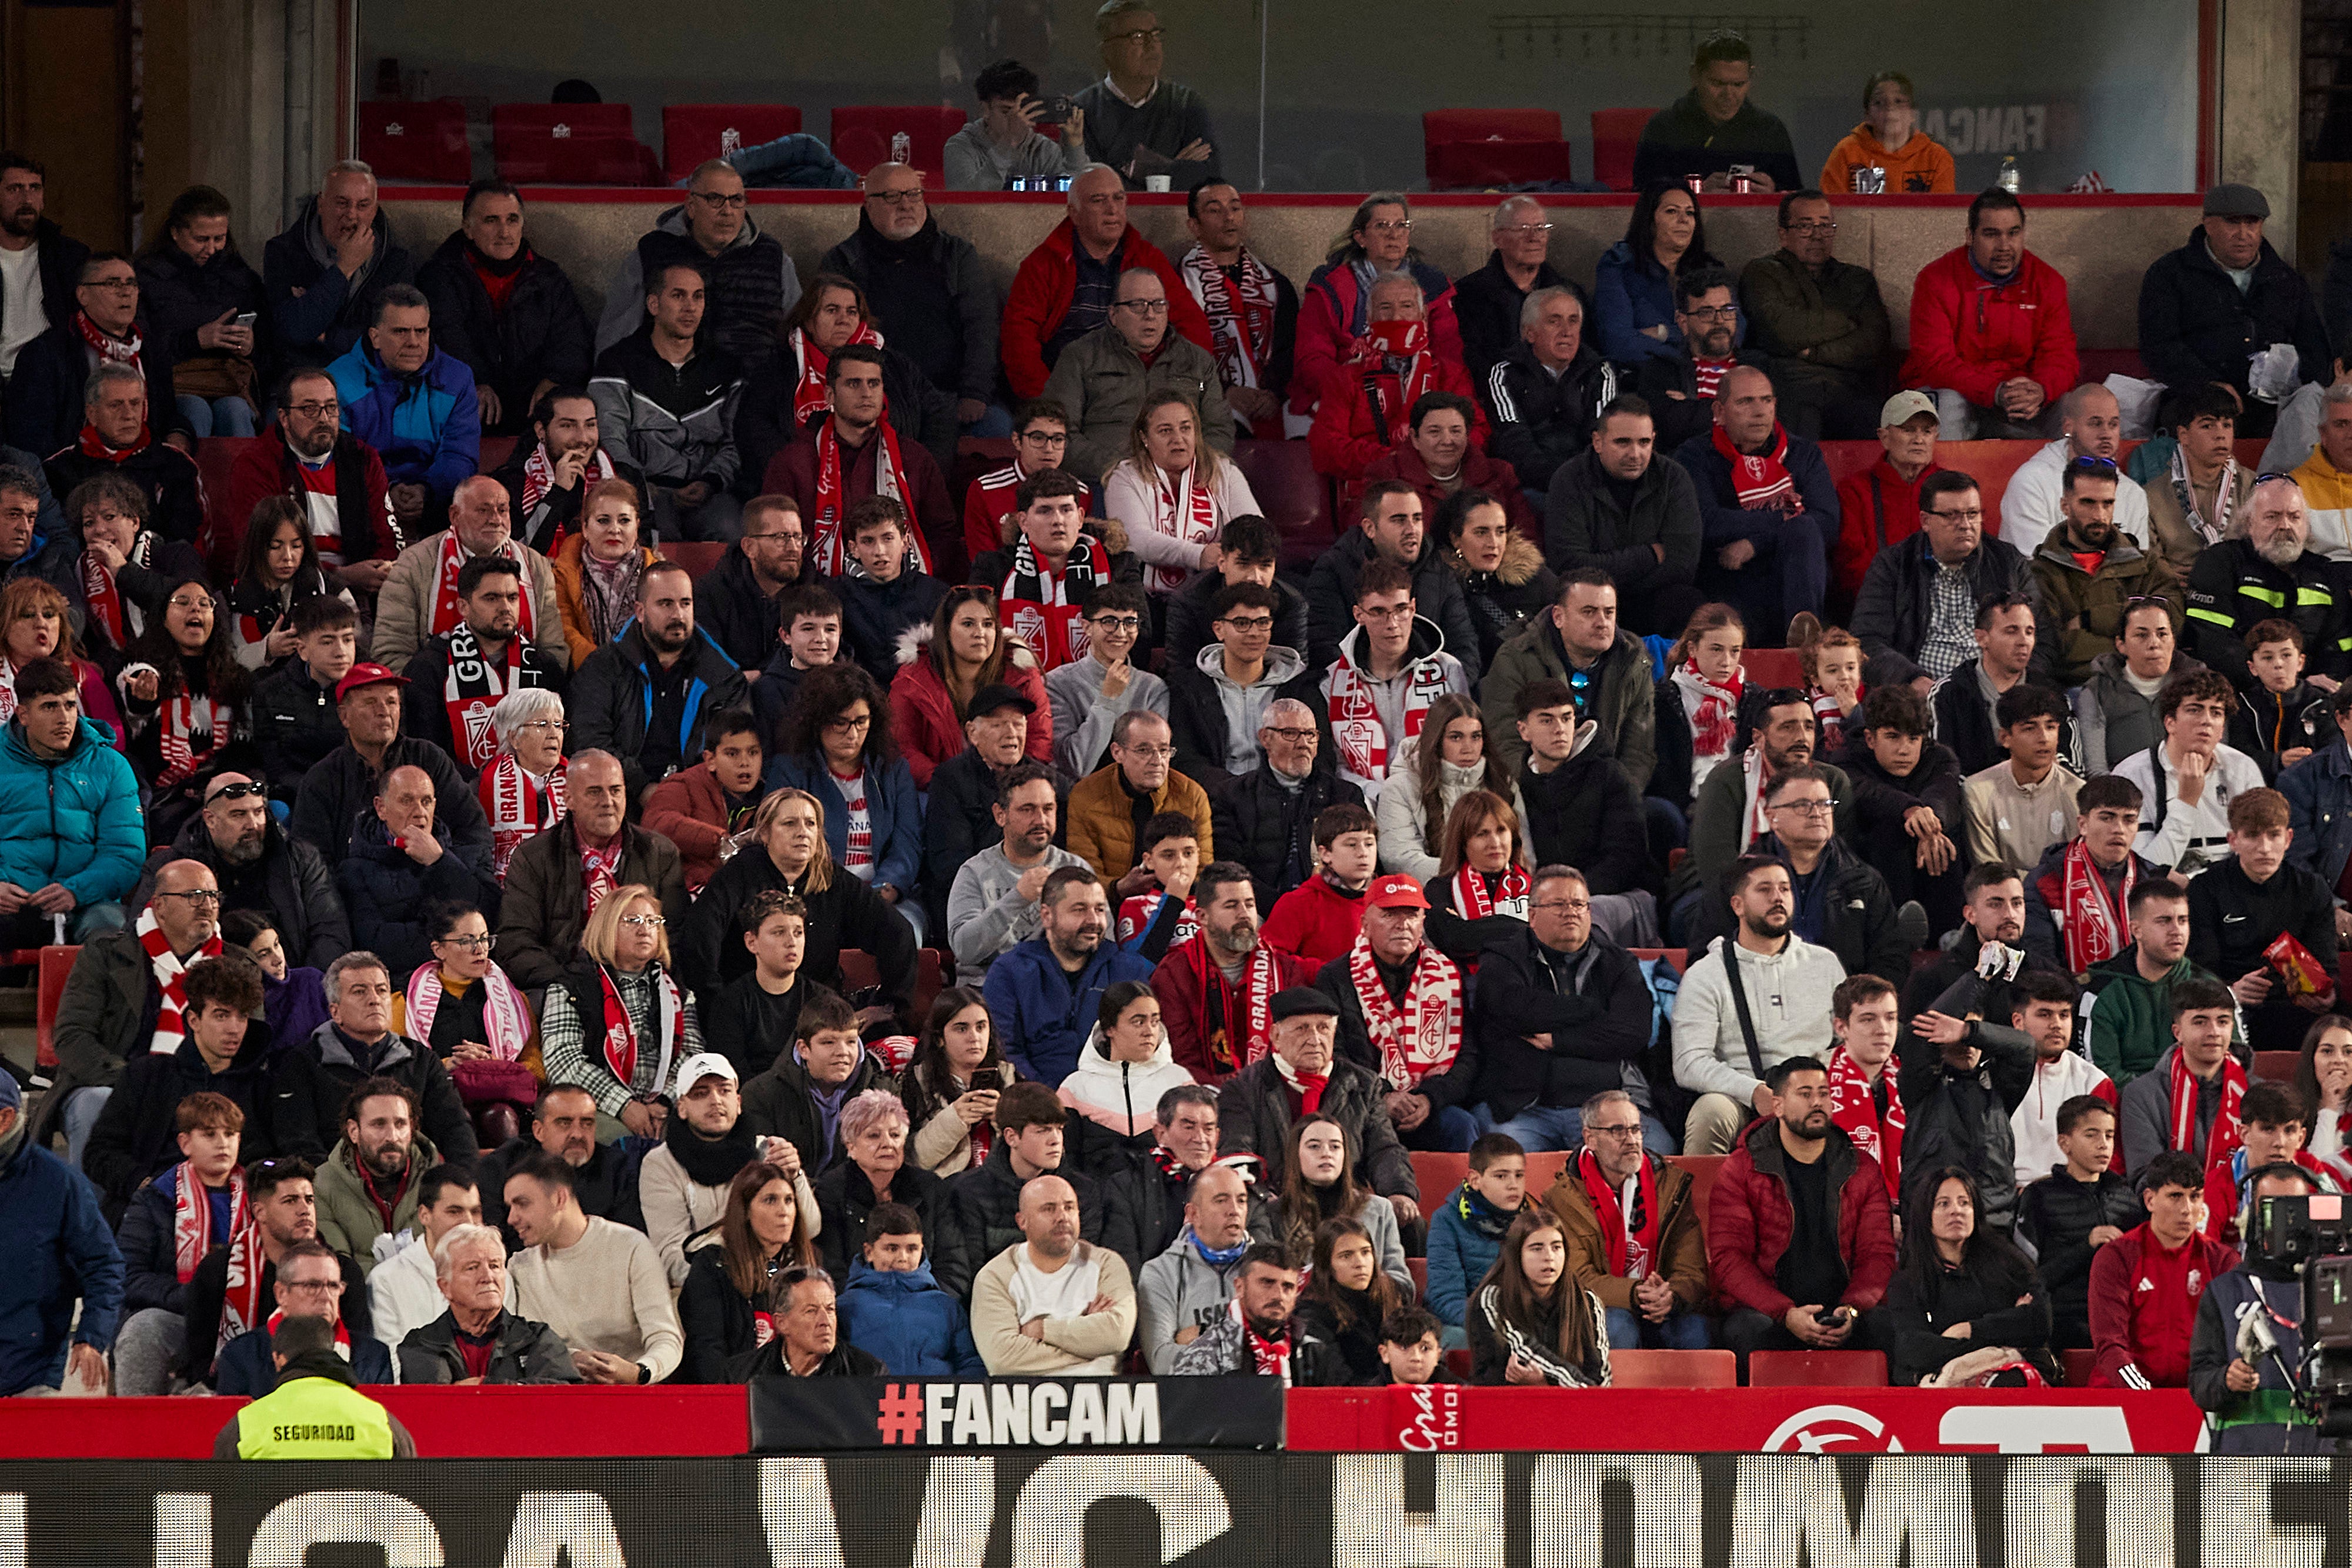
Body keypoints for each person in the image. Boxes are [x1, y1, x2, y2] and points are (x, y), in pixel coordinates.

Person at [1708, 1055, 1898, 1369]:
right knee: (1747, 1331)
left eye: (1824, 1093)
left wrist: (1852, 1309)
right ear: (1778, 1106)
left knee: (1887, 1326)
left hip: (1842, 1312)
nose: (1818, 1102)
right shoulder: (1741, 1169)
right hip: (1770, 1313)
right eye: (1805, 1094)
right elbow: (1729, 1259)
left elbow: (1878, 1254)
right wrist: (1785, 1313)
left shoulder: (1862, 1168)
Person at [29, 857, 222, 1165]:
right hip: (113, 1083)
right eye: (194, 896)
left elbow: (250, 1042)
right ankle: (94, 1200)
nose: (207, 906)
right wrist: (133, 1082)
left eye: (213, 896)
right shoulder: (106, 955)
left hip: (206, 1087)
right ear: (159, 905)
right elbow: (72, 1036)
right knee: (95, 1104)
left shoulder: (234, 966)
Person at [675, 787, 917, 1018]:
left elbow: (896, 932)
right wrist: (718, 1003)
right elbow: (699, 936)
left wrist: (888, 1004)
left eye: (811, 824)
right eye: (790, 823)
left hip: (820, 1014)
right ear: (765, 833)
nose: (803, 832)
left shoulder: (833, 878)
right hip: (750, 1011)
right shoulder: (741, 873)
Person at [1673, 856, 1850, 1156]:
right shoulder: (1706, 974)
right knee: (1711, 1112)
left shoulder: (1825, 963)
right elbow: (1689, 1062)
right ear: (1738, 905)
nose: (1778, 898)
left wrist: (1817, 1077)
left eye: (1785, 889)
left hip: (1819, 1089)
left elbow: (1850, 1040)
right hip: (1742, 1096)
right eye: (1765, 890)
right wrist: (1753, 1091)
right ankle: (1704, 1190)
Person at [737, 266, 957, 498]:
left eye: (852, 312)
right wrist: (797, 478)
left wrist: (920, 475)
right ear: (809, 321)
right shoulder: (778, 370)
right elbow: (754, 429)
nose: (843, 320)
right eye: (832, 310)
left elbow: (940, 414)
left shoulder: (893, 366)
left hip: (891, 486)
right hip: (804, 492)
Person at [1000, 165, 1211, 402]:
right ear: (1074, 213)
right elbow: (1018, 341)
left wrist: (1182, 391)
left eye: (1118, 198)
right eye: (1098, 201)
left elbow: (1192, 324)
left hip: (1141, 392)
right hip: (1068, 392)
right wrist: (1049, 403)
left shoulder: (1147, 258)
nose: (1112, 210)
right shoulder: (1044, 264)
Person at [2139, 185, 2328, 444]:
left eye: (2252, 223)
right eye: (2232, 223)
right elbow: (2159, 346)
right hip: (2195, 397)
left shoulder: (2286, 280)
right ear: (2208, 224)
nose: (2243, 234)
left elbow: (2314, 348)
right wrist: (2209, 384)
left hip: (2273, 407)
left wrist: (2295, 381)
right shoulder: (2170, 274)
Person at [1689, 764, 1906, 986]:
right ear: (1771, 815)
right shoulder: (1737, 882)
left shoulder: (1864, 882)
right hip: (1759, 997)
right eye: (1802, 805)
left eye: (1825, 804)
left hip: (1842, 1001)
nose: (1817, 813)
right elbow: (1705, 958)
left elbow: (1890, 960)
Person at [1216, 987, 1417, 1221]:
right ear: (1275, 1036)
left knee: (1410, 1223)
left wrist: (1399, 1191)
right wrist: (1267, 1202)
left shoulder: (1364, 1085)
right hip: (1275, 1207)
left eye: (1323, 1028)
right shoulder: (1243, 1089)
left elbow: (1383, 1149)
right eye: (1302, 1029)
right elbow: (1239, 1157)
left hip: (1345, 1208)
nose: (1314, 1039)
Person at [495, 749, 687, 992]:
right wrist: (570, 986)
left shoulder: (660, 853)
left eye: (615, 791)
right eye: (595, 792)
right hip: (561, 985)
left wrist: (637, 978)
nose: (608, 802)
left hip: (641, 983)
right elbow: (516, 941)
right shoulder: (533, 857)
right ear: (569, 799)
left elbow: (675, 934)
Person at [413, 180, 591, 440]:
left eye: (512, 220)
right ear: (468, 228)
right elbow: (443, 336)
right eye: (491, 221)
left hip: (531, 413)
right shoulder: (439, 276)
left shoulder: (549, 278)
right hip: (468, 407)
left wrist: (554, 381)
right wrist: (473, 381)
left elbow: (573, 339)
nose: (505, 232)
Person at [593, 159, 800, 377]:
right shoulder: (653, 252)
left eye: (737, 200)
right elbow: (616, 337)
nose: (727, 211)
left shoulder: (773, 257)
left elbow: (799, 338)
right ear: (691, 206)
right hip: (670, 386)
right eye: (715, 199)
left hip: (757, 385)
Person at [1673, 366, 1838, 639]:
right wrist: (1785, 517)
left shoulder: (1803, 453)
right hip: (1730, 579)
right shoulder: (1694, 456)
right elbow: (1707, 522)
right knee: (1800, 524)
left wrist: (1754, 544)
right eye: (1746, 402)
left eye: (1766, 400)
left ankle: (1804, 640)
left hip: (1795, 575)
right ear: (1719, 412)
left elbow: (1827, 522)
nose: (1760, 411)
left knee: (1805, 529)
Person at [586, 261, 744, 544]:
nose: (690, 307)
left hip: (710, 492)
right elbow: (610, 438)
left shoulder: (726, 367)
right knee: (656, 532)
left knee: (732, 529)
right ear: (654, 304)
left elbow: (737, 441)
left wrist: (710, 482)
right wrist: (643, 487)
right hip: (646, 491)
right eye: (678, 295)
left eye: (698, 297)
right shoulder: (618, 362)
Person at [764, 344, 956, 575]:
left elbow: (942, 533)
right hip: (820, 589)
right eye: (854, 384)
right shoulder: (794, 462)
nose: (866, 393)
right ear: (830, 395)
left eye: (873, 383)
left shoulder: (914, 458)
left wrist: (913, 583)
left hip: (904, 588)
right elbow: (777, 538)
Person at [1902, 189, 2079, 440]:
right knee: (1949, 403)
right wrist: (1995, 391)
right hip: (1961, 394)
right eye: (1991, 234)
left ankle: (2072, 469)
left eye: (2013, 233)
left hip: (2023, 400)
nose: (2004, 246)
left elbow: (2061, 357)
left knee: (2077, 407)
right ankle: (1944, 468)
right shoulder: (1935, 280)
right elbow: (1935, 363)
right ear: (1970, 237)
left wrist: (2040, 390)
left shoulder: (2048, 282)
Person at [131, 768, 346, 972]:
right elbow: (144, 932)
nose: (253, 824)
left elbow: (330, 929)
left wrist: (302, 985)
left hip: (292, 981)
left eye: (259, 812)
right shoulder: (169, 869)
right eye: (238, 815)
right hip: (207, 984)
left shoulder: (301, 858)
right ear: (210, 819)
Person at [1545, 1088, 1711, 1350]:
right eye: (1617, 1131)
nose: (1631, 1140)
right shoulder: (1563, 1199)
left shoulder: (1671, 1187)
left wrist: (1672, 1296)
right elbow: (1576, 1277)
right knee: (1618, 1324)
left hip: (1661, 1305)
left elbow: (1691, 1268)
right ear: (1590, 1138)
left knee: (1694, 1329)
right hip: (1602, 1308)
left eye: (1636, 1129)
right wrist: (1634, 1293)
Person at [567, 561, 750, 799]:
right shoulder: (603, 667)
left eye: (686, 603)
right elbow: (589, 740)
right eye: (666, 604)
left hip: (698, 797)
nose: (678, 615)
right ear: (640, 612)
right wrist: (643, 789)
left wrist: (687, 793)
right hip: (622, 797)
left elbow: (735, 749)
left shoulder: (723, 676)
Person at [766, 660, 923, 936]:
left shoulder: (893, 770)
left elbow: (907, 842)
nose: (853, 734)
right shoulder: (789, 771)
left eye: (861, 722)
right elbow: (785, 845)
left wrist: (887, 887)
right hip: (815, 896)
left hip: (885, 895)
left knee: (907, 932)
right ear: (817, 722)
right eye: (841, 723)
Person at [539, 882, 704, 1144]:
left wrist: (665, 1102)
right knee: (623, 1143)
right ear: (606, 927)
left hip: (666, 1109)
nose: (644, 929)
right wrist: (625, 1105)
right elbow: (563, 1063)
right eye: (632, 920)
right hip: (597, 1107)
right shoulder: (570, 987)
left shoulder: (678, 991)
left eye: (652, 921)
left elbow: (693, 1056)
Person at [503, 1148, 684, 1385]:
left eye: (522, 1204)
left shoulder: (631, 1246)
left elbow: (666, 1338)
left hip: (633, 1393)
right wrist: (567, 1360)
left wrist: (638, 1372)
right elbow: (522, 1349)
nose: (511, 1218)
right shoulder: (519, 1267)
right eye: (510, 1207)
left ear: (559, 1198)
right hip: (559, 1394)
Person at [1045, 268, 1232, 492]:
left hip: (1183, 484)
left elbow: (1218, 430)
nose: (1150, 315)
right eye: (1137, 305)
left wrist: (1188, 468)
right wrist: (1122, 468)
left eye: (1158, 305)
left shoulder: (1197, 362)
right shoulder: (1080, 357)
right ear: (1114, 315)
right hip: (1105, 482)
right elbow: (1058, 433)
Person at [1737, 188, 1899, 444]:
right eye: (1805, 226)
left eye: (1825, 226)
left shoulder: (1857, 279)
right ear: (1783, 235)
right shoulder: (1762, 273)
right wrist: (1848, 322)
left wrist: (1812, 353)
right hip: (1789, 384)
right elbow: (1782, 332)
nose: (1817, 235)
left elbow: (1874, 343)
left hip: (1849, 385)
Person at [0, 655, 141, 948]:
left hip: (88, 901)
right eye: (49, 707)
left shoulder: (111, 766)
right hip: (11, 900)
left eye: (70, 705)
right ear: (23, 715)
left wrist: (76, 891)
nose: (64, 718)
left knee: (113, 935)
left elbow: (125, 852)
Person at [225, 369, 400, 601]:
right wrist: (338, 576)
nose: (324, 418)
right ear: (284, 418)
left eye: (331, 408)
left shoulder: (363, 458)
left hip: (364, 587)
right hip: (286, 591)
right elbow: (260, 550)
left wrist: (382, 569)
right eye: (310, 409)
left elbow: (388, 537)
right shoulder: (256, 463)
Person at [1308, 271, 1485, 502]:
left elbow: (1478, 431)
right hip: (1374, 494)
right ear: (1370, 317)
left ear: (1423, 314)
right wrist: (1393, 460)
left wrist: (1439, 457)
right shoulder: (1347, 377)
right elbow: (1326, 447)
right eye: (1385, 307)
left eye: (1406, 306)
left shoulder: (1449, 374)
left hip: (1441, 491)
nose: (1396, 316)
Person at [1289, 193, 1464, 424]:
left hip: (1420, 395)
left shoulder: (1433, 285)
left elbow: (1449, 356)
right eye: (1382, 226)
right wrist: (1356, 395)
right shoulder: (1330, 286)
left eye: (1401, 225)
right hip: (1345, 393)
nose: (1394, 234)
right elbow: (1312, 359)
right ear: (1361, 237)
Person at [2190, 1164, 2330, 1449]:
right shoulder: (2224, 1292)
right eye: (2272, 1209)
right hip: (2245, 1461)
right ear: (2252, 1218)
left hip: (2325, 1459)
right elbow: (2199, 1384)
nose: (2285, 1222)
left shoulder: (2336, 1288)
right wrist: (2225, 1379)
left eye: (2295, 1209)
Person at [2188, 788, 2339, 1050]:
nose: (2265, 848)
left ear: (2288, 839)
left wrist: (2328, 994)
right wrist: (2231, 991)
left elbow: (2327, 963)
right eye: (2252, 836)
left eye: (2274, 835)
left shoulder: (2311, 888)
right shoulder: (2205, 889)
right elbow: (2199, 970)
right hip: (2232, 1009)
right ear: (2233, 841)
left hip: (2298, 1009)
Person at [322, 284, 480, 529]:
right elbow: (339, 460)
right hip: (362, 506)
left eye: (421, 331)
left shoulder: (457, 378)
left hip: (437, 505)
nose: (414, 342)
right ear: (375, 337)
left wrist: (426, 490)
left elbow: (459, 454)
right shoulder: (336, 381)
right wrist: (386, 489)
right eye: (401, 332)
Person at [373, 474, 564, 674]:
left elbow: (554, 652)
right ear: (455, 515)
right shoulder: (414, 564)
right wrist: (430, 689)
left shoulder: (535, 565)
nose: (496, 520)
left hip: (524, 689)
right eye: (483, 510)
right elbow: (392, 653)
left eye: (502, 510)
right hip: (438, 688)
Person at [9, 255, 190, 465]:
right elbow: (31, 436)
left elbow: (167, 415)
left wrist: (179, 434)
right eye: (112, 284)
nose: (126, 292)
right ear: (83, 295)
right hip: (73, 468)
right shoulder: (46, 353)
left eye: (131, 284)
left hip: (143, 464)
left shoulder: (150, 349)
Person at [1542, 399, 1702, 637]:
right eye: (1623, 442)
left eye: (1644, 442)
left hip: (1654, 599)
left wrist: (1621, 581)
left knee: (1687, 602)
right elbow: (1569, 566)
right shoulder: (1569, 480)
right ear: (1598, 442)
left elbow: (1683, 564)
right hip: (1591, 602)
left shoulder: (1674, 478)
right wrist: (1648, 556)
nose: (1635, 454)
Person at [987, 865, 1158, 1085]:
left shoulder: (1128, 971)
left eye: (1099, 910)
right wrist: (1049, 1098)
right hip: (1038, 1099)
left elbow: (1148, 1046)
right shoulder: (1010, 972)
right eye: (1079, 910)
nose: (1093, 920)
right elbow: (1006, 1052)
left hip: (1114, 1093)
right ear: (1047, 916)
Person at [1883, 1169, 2056, 1387]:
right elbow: (1913, 1349)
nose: (1956, 1211)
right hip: (1949, 1383)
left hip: (2011, 1376)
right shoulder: (1909, 1280)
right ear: (1925, 1216)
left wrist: (1967, 1330)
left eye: (1964, 1203)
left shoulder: (2008, 1261)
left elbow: (2040, 1321)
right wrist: (2005, 1331)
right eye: (1943, 1204)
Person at [2087, 1149, 2238, 1388]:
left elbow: (2233, 1343)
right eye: (2175, 1196)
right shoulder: (2116, 1257)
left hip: (2195, 1396)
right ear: (2150, 1200)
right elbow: (2111, 1345)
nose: (2187, 1209)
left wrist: (2206, 1391)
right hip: (2123, 1394)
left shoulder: (2222, 1261)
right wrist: (2146, 1396)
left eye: (2195, 1197)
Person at [2184, 475, 2348, 693]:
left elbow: (2342, 646)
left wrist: (2310, 688)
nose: (2285, 526)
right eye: (2273, 517)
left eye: (2295, 517)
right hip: (2241, 695)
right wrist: (2281, 684)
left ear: (2306, 525)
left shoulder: (2326, 573)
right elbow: (2213, 642)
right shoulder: (2220, 562)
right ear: (2249, 523)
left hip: (2314, 697)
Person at [1308, 482, 1484, 684]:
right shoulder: (1334, 569)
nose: (1412, 530)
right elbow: (1324, 648)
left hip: (1431, 691)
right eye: (1399, 520)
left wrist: (1438, 690)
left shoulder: (1440, 571)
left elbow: (1464, 649)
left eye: (1417, 519)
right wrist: (1379, 692)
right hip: (1358, 693)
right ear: (1370, 528)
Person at [974, 471, 1140, 678]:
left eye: (1066, 510)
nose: (1058, 521)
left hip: (1104, 683)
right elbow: (978, 637)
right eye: (1045, 511)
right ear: (1023, 521)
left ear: (1080, 517)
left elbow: (1139, 637)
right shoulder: (993, 567)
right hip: (1015, 687)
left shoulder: (1119, 564)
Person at [1210, 700, 1365, 919]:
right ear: (1265, 738)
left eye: (1310, 734)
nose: (1303, 744)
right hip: (1257, 912)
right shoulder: (1232, 795)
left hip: (1331, 909)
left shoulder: (1345, 795)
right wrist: (1284, 910)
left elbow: (1358, 863)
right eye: (1291, 733)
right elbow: (1229, 867)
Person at [969, 1172, 1137, 1374]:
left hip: (1101, 1391)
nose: (1062, 1217)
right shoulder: (996, 1276)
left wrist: (1042, 1330)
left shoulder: (1106, 1264)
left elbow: (1117, 1335)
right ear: (1022, 1221)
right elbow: (1002, 1358)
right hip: (1027, 1393)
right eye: (1049, 1209)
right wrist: (1090, 1344)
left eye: (1069, 1207)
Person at [892, 586, 1053, 795]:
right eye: (968, 624)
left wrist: (1008, 786)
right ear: (946, 630)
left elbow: (1039, 742)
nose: (980, 633)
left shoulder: (1022, 674)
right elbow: (903, 748)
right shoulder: (913, 678)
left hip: (1011, 792)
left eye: (988, 624)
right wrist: (950, 784)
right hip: (938, 792)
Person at [133, 187, 265, 439]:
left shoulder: (240, 277)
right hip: (173, 383)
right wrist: (196, 340)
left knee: (235, 411)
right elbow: (140, 343)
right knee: (194, 411)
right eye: (201, 239)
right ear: (175, 233)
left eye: (220, 238)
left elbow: (270, 344)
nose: (212, 249)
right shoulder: (148, 277)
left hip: (229, 382)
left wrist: (249, 345)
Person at [2111, 668, 2265, 881]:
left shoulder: (2243, 768)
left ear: (2222, 730)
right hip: (2162, 891)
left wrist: (2199, 884)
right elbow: (2143, 871)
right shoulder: (2131, 775)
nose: (2207, 721)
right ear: (2170, 723)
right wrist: (2185, 803)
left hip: (2228, 886)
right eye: (2195, 710)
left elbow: (2259, 852)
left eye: (2216, 713)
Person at [262, 160, 416, 370]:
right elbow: (295, 331)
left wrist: (326, 336)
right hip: (304, 375)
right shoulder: (283, 252)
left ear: (374, 211)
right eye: (342, 203)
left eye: (363, 206)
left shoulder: (395, 260)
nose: (351, 215)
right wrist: (344, 268)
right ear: (321, 204)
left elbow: (398, 338)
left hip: (370, 375)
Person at [398, 900, 534, 1133]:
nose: (479, 949)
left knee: (500, 1117)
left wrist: (492, 1067)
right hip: (435, 1100)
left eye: (484, 939)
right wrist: (445, 1066)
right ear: (439, 950)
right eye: (466, 941)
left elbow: (535, 1069)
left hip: (502, 1102)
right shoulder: (404, 1002)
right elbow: (397, 1068)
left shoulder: (515, 1001)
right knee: (454, 1114)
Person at [1165, 580, 1320, 784]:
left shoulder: (1300, 688)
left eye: (1263, 623)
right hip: (1215, 794)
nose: (1254, 633)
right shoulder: (1188, 688)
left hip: (1284, 793)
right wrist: (1235, 790)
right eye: (1241, 623)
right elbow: (1186, 759)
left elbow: (1319, 756)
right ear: (1219, 630)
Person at [2017, 1094, 2142, 1348]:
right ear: (2065, 1144)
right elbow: (2027, 1278)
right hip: (2066, 1324)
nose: (2103, 1145)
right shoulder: (2039, 1196)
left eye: (2109, 1135)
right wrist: (2088, 1245)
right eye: (2091, 1135)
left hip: (2126, 1319)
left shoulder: (2128, 1196)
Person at [2084, 879, 2233, 1085]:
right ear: (2136, 930)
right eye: (2164, 921)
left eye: (2183, 920)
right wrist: (2159, 1094)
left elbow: (2234, 1061)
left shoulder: (2210, 986)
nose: (2176, 931)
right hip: (2130, 1100)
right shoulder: (2102, 992)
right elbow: (2100, 1074)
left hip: (2200, 1096)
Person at [1177, 181, 1296, 437]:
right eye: (1215, 210)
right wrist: (1221, 392)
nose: (1229, 217)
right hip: (1204, 398)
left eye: (1235, 208)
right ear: (1194, 226)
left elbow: (1290, 352)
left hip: (1271, 402)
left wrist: (1275, 395)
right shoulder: (1177, 283)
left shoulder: (1276, 285)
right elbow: (1173, 361)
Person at [396, 1221, 580, 1385]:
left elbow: (565, 1395)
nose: (488, 1277)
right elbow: (436, 1404)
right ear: (445, 1287)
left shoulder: (537, 1338)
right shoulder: (420, 1345)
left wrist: (486, 1386)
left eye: (495, 1266)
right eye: (472, 1268)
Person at [214, 1314, 415, 1459]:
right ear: (332, 1350)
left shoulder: (246, 1425)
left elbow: (223, 1496)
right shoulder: (381, 1422)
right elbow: (408, 1494)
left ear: (278, 1358)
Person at [637, 1052, 762, 1285]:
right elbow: (670, 1254)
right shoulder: (660, 1164)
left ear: (738, 1102)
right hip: (704, 1285)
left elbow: (811, 1227)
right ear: (682, 1108)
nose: (715, 1100)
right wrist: (722, 1282)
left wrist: (795, 1176)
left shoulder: (766, 1151)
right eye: (701, 1093)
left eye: (724, 1090)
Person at [741, 987, 894, 1176]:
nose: (843, 1052)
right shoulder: (760, 1095)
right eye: (829, 1042)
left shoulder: (883, 1094)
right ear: (804, 1049)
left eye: (851, 1042)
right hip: (791, 1191)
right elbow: (762, 1174)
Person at [473, 1082, 646, 1245]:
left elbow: (628, 1239)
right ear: (539, 1131)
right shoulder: (503, 1164)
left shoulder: (619, 1168)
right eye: (565, 1123)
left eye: (587, 1123)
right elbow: (492, 1238)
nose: (577, 1134)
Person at [1632, 29, 1802, 193]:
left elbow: (1796, 198)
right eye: (1718, 84)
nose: (1729, 95)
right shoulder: (1663, 128)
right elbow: (1641, 197)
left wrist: (1774, 192)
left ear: (1751, 77)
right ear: (1695, 76)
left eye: (1738, 85)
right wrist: (1696, 191)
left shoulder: (1769, 130)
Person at [1071, 0, 1218, 188]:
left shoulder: (1186, 104)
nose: (1152, 45)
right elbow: (1093, 187)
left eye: (1156, 35)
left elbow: (1208, 179)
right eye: (1138, 36)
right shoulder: (1081, 110)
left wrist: (1142, 171)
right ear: (1107, 51)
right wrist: (1172, 169)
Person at [1361, 390, 1538, 546]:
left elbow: (1526, 538)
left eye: (1456, 431)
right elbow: (1371, 543)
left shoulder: (1500, 474)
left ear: (1467, 436)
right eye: (1434, 432)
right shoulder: (1386, 476)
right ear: (1415, 438)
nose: (1447, 441)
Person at [2002, 385, 2157, 559]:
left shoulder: (2133, 494)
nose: (2106, 434)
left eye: (2113, 424)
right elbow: (2038, 563)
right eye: (2095, 423)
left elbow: (2137, 564)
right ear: (2068, 427)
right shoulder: (2031, 482)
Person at [1629, 266, 1772, 455]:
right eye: (1706, 312)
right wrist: (1744, 411)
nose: (1720, 320)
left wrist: (1692, 406)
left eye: (1727, 310)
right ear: (1683, 322)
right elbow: (1670, 429)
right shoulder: (1662, 370)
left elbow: (1777, 425)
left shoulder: (1762, 367)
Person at [2116, 978, 2249, 1178]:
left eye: (2222, 1022)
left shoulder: (2254, 1092)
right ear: (2177, 1033)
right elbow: (2145, 1177)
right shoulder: (2142, 1095)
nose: (2214, 1032)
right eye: (2200, 1022)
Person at [306, 1076, 435, 1279]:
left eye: (401, 1124)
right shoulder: (320, 1186)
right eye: (379, 1125)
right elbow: (340, 1269)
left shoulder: (439, 1182)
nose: (392, 1136)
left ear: (412, 1128)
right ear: (354, 1131)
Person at [1466, 1208, 1609, 1387]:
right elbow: (1522, 1351)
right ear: (1517, 1254)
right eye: (1537, 1249)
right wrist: (1581, 1389)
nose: (1549, 1257)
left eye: (1556, 1247)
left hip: (1572, 1402)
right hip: (1503, 1400)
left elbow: (1601, 1376)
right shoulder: (1493, 1299)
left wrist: (1547, 1385)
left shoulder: (1587, 1301)